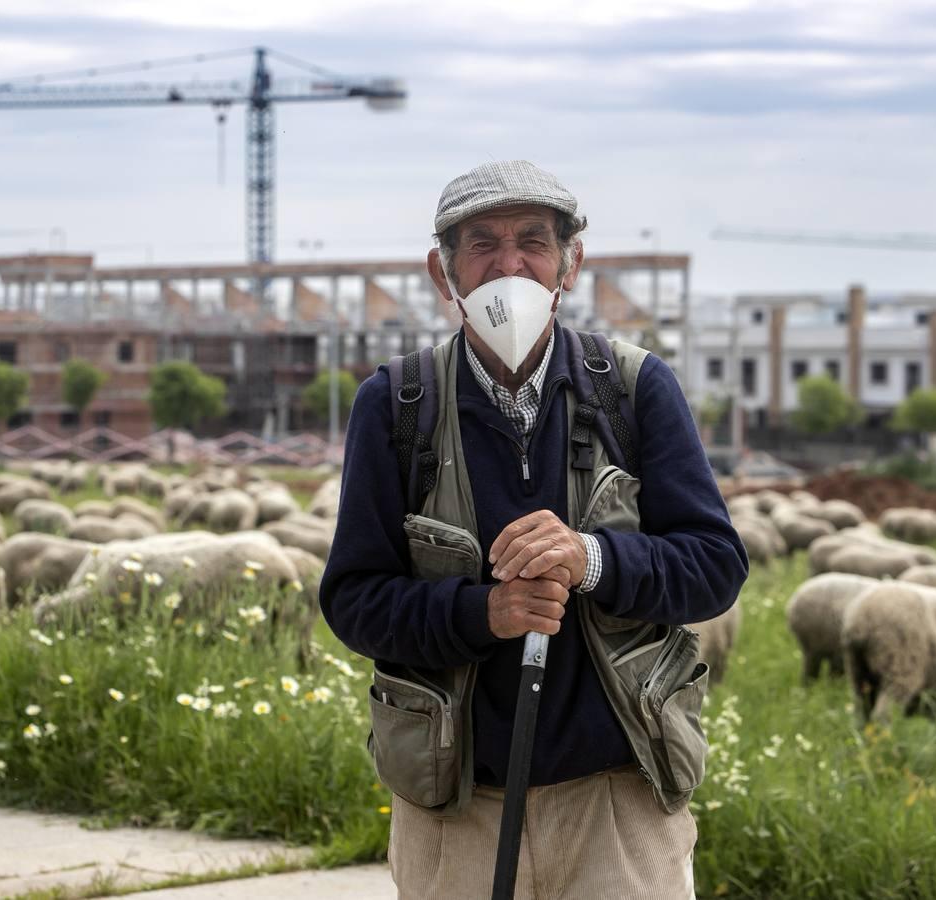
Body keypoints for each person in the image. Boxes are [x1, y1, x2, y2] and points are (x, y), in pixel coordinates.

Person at [319, 160, 749, 899]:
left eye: (533, 241)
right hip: (457, 810)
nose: (509, 264)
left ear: (569, 263)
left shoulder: (634, 389)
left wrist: (594, 559)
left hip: (618, 800)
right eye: (481, 242)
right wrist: (481, 612)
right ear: (442, 270)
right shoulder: (396, 406)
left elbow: (715, 566)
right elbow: (354, 600)